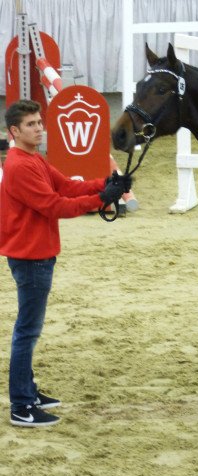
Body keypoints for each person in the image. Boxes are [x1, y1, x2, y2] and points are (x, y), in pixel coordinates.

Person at [0, 99, 130, 427]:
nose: (39, 128)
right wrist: (101, 198)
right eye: (31, 124)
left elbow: (68, 186)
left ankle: (27, 390)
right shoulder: (20, 166)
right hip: (31, 256)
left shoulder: (33, 159)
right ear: (14, 131)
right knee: (27, 331)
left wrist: (106, 184)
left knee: (28, 329)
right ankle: (21, 405)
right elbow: (55, 205)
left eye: (39, 122)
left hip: (36, 253)